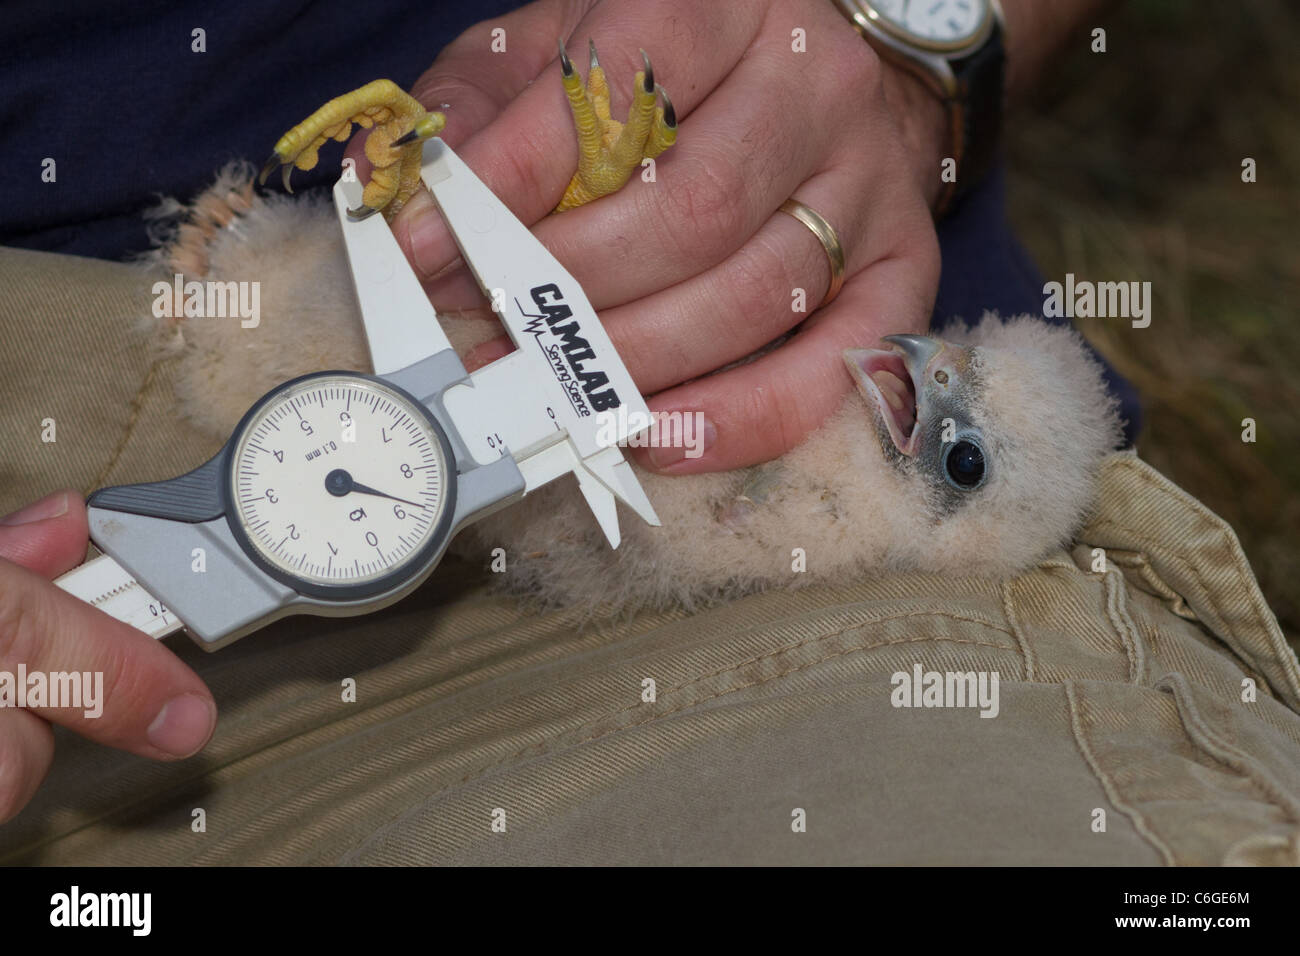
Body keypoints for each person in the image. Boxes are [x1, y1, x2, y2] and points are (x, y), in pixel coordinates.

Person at [0, 0, 1151, 832]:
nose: (918, 373)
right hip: (176, 318)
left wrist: (903, 47)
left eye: (946, 425)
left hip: (739, 645)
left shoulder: (936, 501)